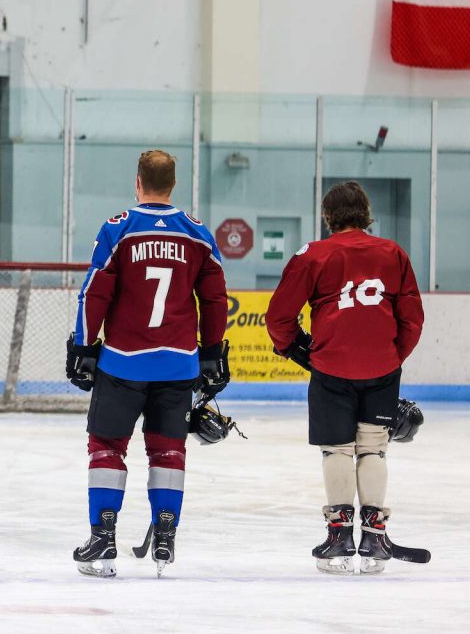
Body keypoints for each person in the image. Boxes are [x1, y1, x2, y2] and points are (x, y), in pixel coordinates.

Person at [66, 150, 228, 577]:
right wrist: (212, 352)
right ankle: (165, 538)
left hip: (122, 365)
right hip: (178, 365)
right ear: (173, 184)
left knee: (106, 448)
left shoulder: (120, 228)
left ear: (137, 182)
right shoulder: (197, 233)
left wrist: (84, 345)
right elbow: (214, 298)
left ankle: (103, 540)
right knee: (168, 450)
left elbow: (95, 291)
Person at [265, 180, 426, 575]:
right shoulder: (393, 253)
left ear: (327, 217)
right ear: (366, 214)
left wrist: (296, 349)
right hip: (381, 369)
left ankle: (339, 537)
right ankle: (373, 538)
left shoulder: (313, 255)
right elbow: (413, 320)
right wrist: (391, 357)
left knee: (336, 450)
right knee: (373, 449)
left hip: (332, 367)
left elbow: (278, 318)